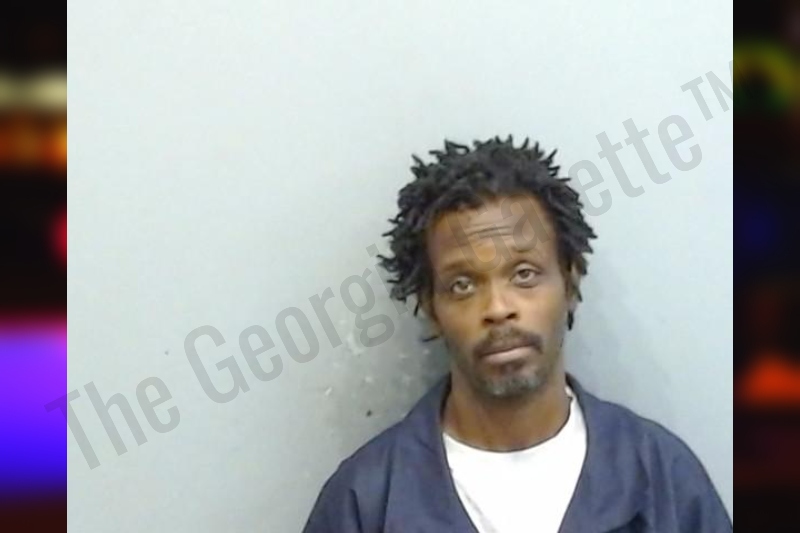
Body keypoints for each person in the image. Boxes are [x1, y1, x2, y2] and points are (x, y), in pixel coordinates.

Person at [303, 137, 732, 532]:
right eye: (462, 285)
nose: (497, 308)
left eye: (524, 274)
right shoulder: (366, 502)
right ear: (431, 309)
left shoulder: (663, 481)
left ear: (570, 283)